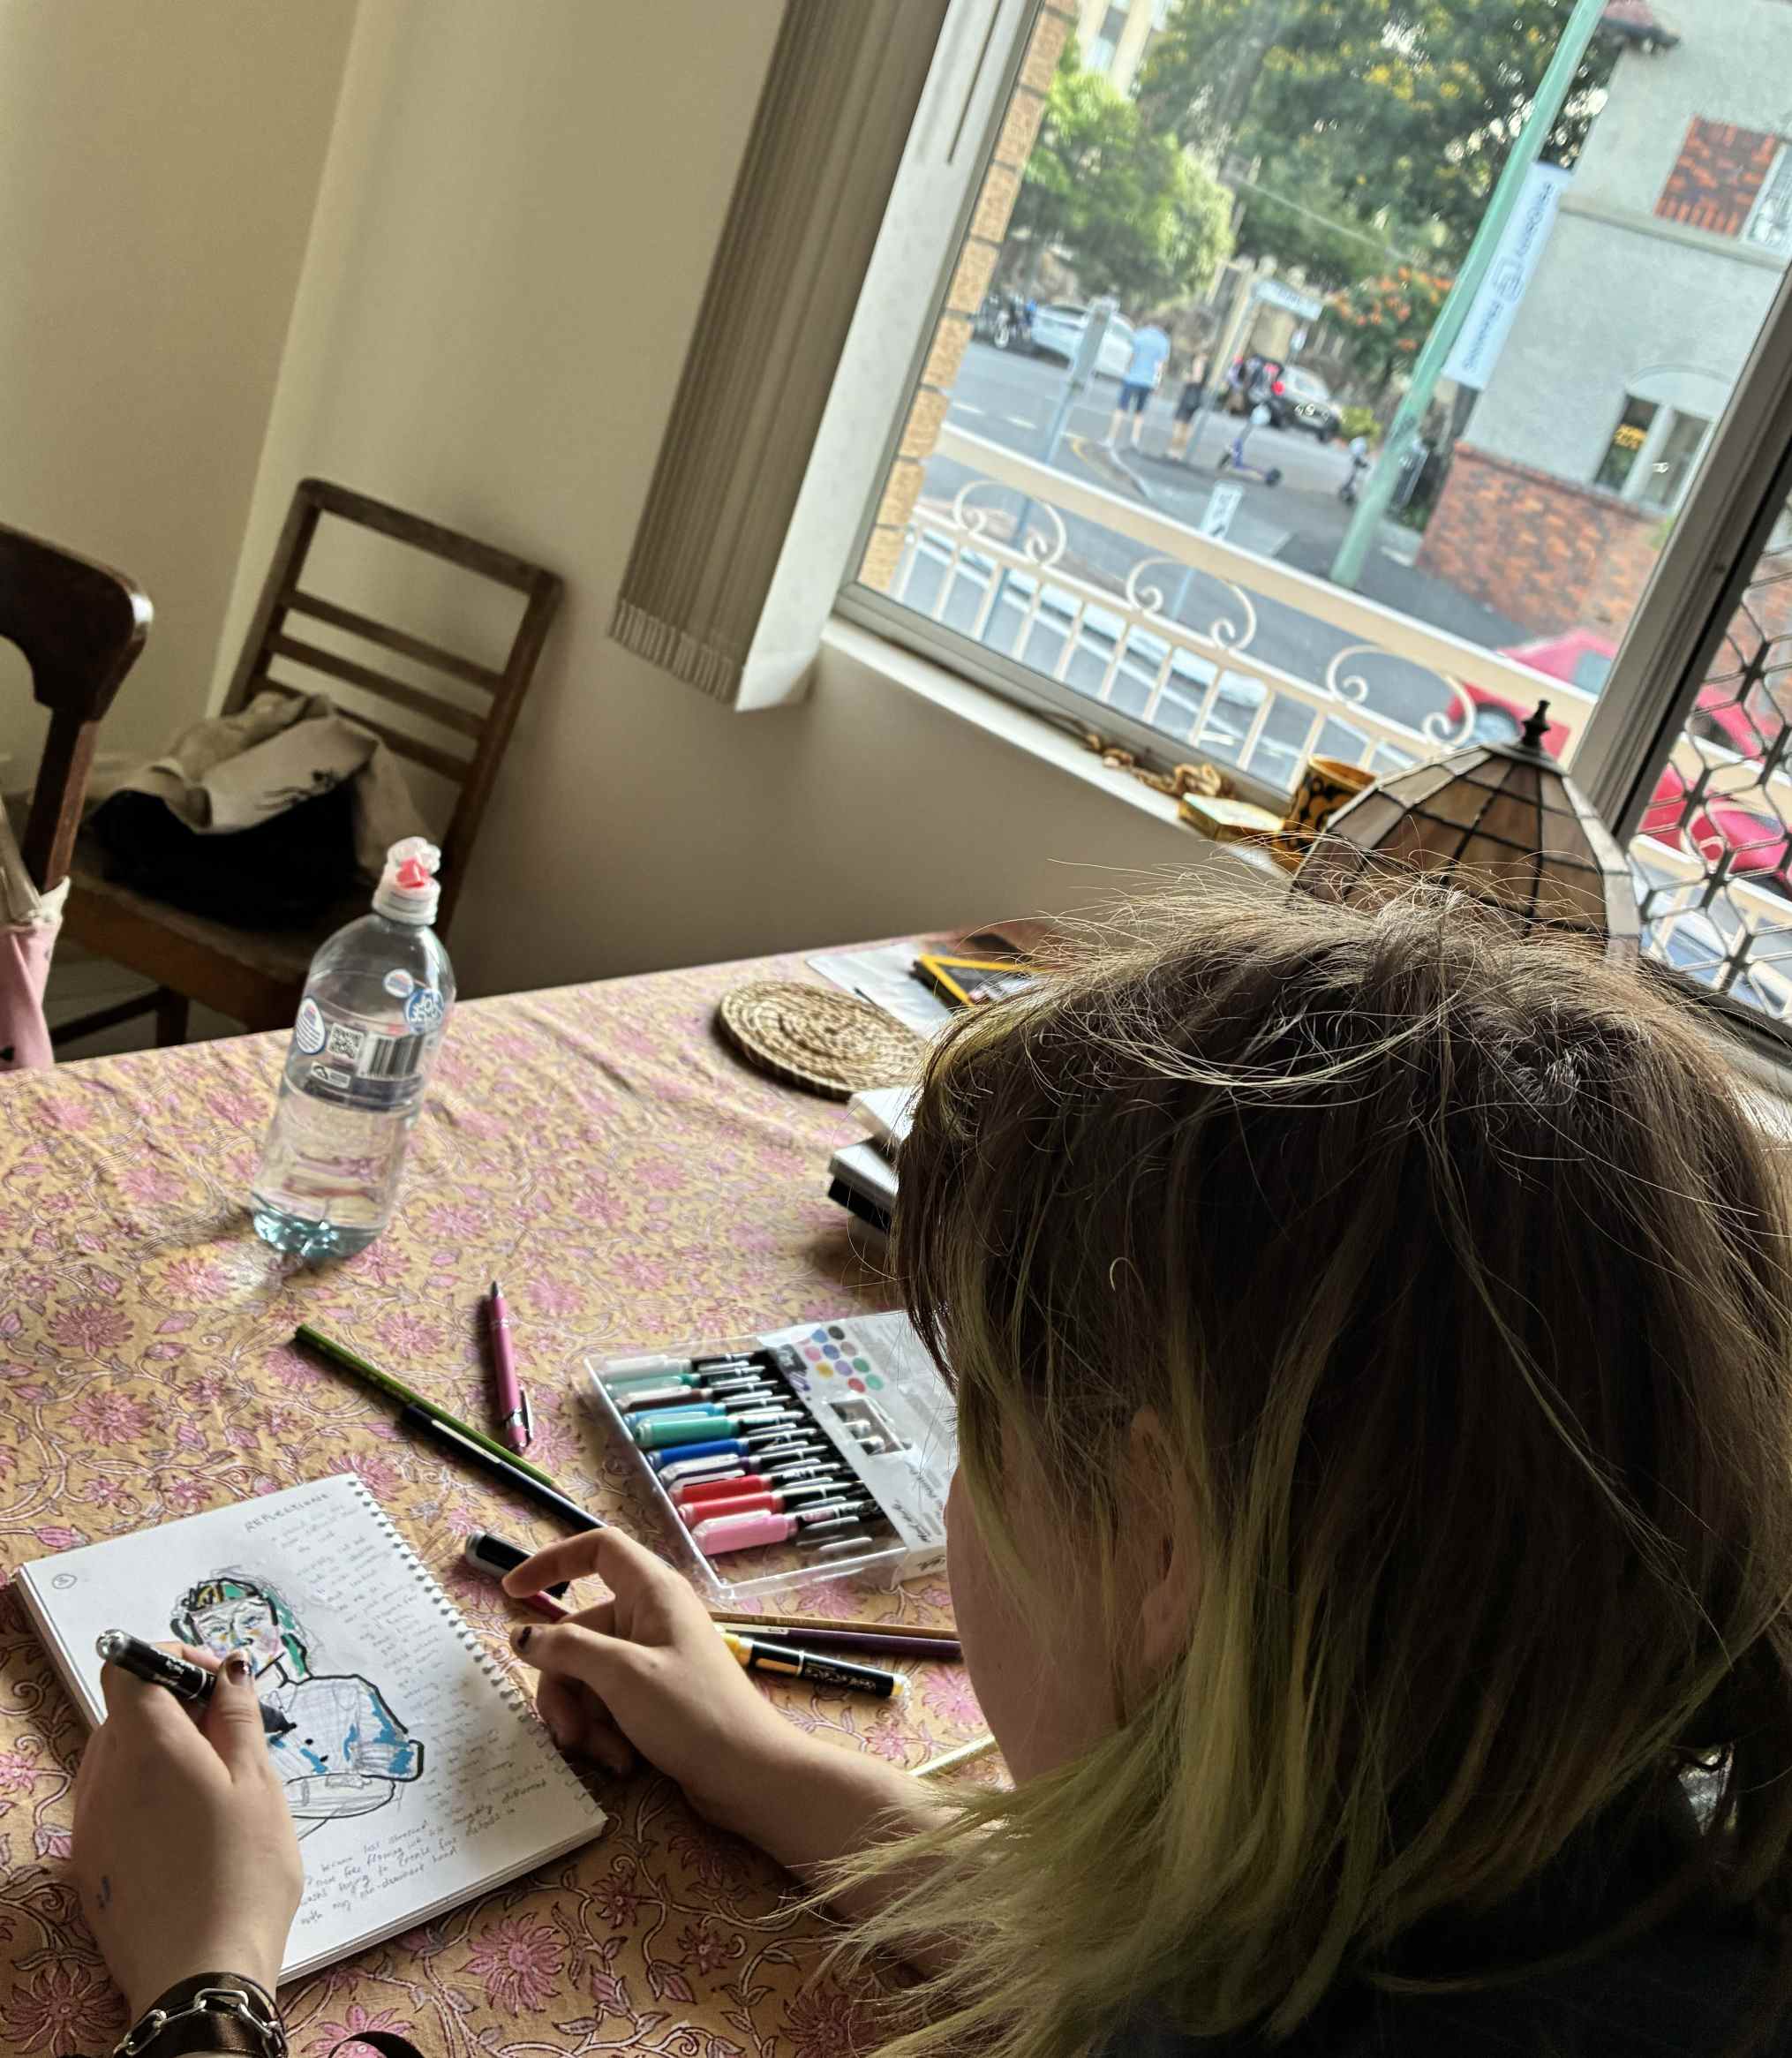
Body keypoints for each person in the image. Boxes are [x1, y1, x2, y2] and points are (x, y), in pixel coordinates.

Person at [72, 886, 1792, 2057]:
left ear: (1171, 1542)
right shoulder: (1583, 1874)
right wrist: (756, 1756)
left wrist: (202, 1984)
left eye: (977, 1424)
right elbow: (1180, 1949)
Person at [1107, 317, 1171, 450]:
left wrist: (1127, 370)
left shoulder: (1140, 335)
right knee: (1139, 412)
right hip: (1147, 381)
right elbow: (1160, 365)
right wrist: (1158, 383)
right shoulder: (1164, 341)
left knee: (1121, 408)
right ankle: (1134, 440)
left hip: (1132, 378)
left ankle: (1111, 438)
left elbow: (1132, 355)